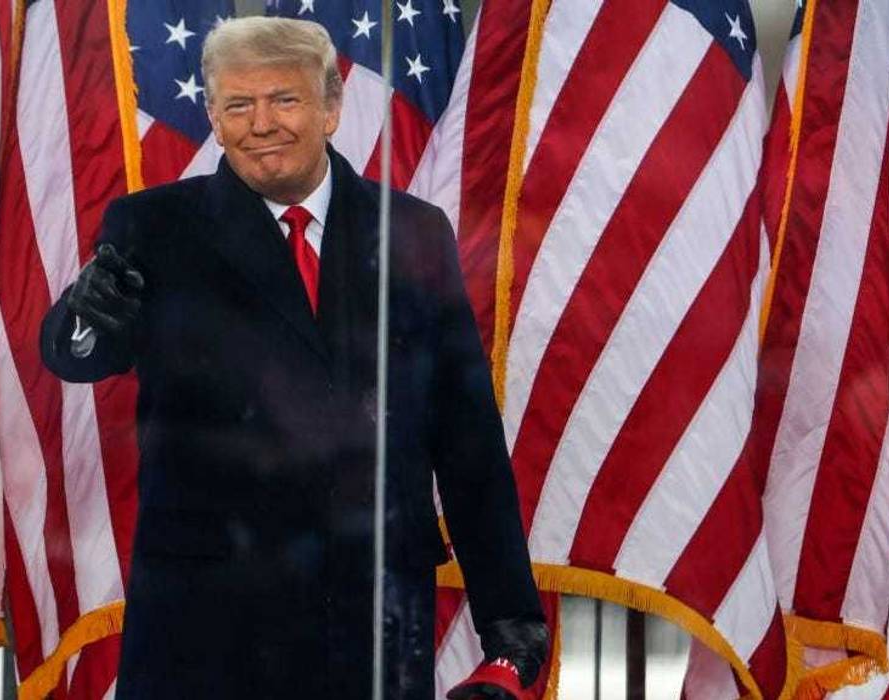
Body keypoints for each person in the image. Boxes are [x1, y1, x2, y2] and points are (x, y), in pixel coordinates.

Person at [40, 16, 546, 700]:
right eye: (238, 105)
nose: (261, 124)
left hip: (370, 615)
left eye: (283, 99)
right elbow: (83, 357)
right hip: (206, 622)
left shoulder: (414, 234)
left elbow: (467, 443)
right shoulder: (151, 226)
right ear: (214, 120)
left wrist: (511, 631)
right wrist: (81, 317)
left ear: (331, 108)